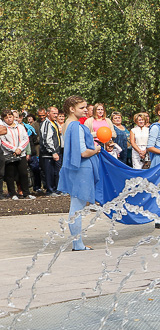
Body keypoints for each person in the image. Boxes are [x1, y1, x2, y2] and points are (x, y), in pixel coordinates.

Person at [57, 96, 101, 250]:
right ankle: (77, 244)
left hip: (73, 168)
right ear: (71, 109)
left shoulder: (67, 125)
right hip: (81, 168)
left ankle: (77, 243)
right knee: (77, 207)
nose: (86, 110)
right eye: (82, 108)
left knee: (76, 205)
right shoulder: (75, 125)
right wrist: (96, 149)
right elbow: (83, 152)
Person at [0, 110, 35, 199]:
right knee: (10, 175)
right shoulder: (4, 128)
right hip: (9, 154)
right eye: (6, 118)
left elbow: (25, 138)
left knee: (23, 173)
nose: (9, 119)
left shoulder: (20, 127)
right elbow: (3, 141)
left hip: (21, 153)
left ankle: (26, 192)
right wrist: (14, 149)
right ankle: (12, 193)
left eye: (10, 117)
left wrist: (20, 148)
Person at [39, 105, 62, 194]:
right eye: (54, 113)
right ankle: (50, 190)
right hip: (48, 153)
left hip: (56, 151)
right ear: (48, 113)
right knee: (49, 172)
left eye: (57, 113)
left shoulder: (54, 123)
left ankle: (56, 189)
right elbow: (46, 139)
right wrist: (53, 151)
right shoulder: (46, 123)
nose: (56, 115)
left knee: (56, 172)